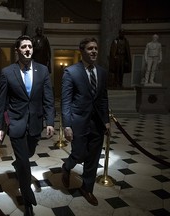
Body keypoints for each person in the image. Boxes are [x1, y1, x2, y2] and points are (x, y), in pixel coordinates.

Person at [0, 35, 55, 216]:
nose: (28, 49)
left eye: (30, 46)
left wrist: (50, 121)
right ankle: (28, 201)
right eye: (24, 47)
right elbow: (1, 102)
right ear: (17, 50)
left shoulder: (43, 70)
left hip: (35, 123)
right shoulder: (7, 72)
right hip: (16, 123)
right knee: (24, 163)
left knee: (28, 154)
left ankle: (19, 164)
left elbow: (48, 99)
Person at [61, 37, 110, 206]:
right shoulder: (71, 72)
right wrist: (66, 125)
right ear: (82, 51)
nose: (94, 51)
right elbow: (66, 101)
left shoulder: (102, 72)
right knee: (80, 153)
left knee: (94, 158)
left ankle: (87, 188)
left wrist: (106, 120)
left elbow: (103, 98)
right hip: (79, 121)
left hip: (97, 122)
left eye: (96, 48)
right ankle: (67, 167)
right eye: (90, 48)